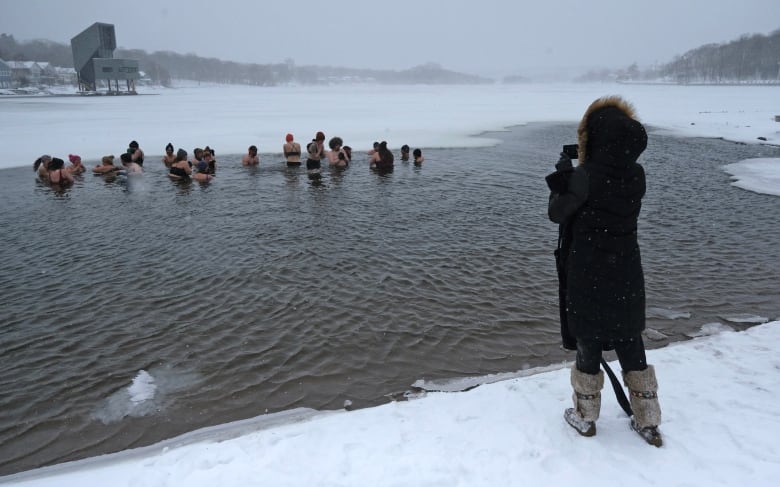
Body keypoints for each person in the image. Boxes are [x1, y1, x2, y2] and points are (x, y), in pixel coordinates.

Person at [546, 95, 662, 447]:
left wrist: (564, 176)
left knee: (589, 340)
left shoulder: (584, 177)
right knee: (630, 339)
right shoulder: (636, 175)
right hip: (626, 270)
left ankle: (585, 417)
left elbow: (558, 213)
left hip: (588, 272)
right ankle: (648, 420)